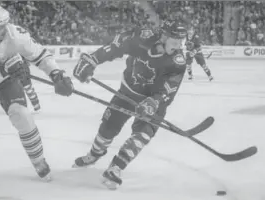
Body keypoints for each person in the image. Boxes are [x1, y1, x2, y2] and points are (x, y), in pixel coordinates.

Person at [0, 3, 73, 184]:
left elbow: (40, 54)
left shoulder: (16, 33)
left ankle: (38, 160)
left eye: (5, 24)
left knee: (22, 114)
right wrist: (5, 68)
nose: (4, 29)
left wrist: (56, 73)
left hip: (5, 75)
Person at [72, 20, 188, 190]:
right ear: (164, 36)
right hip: (127, 93)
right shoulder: (142, 38)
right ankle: (94, 154)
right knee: (107, 128)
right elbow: (116, 46)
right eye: (175, 41)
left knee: (142, 135)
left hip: (152, 101)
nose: (178, 47)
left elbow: (169, 89)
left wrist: (154, 101)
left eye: (181, 42)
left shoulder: (177, 62)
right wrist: (93, 60)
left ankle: (116, 168)